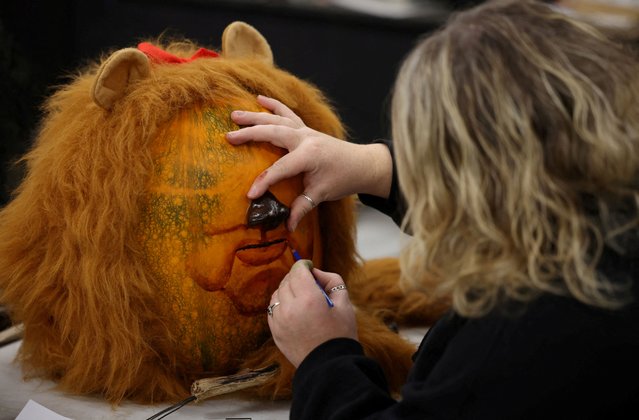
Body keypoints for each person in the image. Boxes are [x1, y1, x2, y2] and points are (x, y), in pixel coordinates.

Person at [225, 0, 639, 418]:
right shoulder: (611, 223)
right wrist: (370, 166)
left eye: (425, 161)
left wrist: (325, 356)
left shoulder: (524, 338)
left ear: (467, 182)